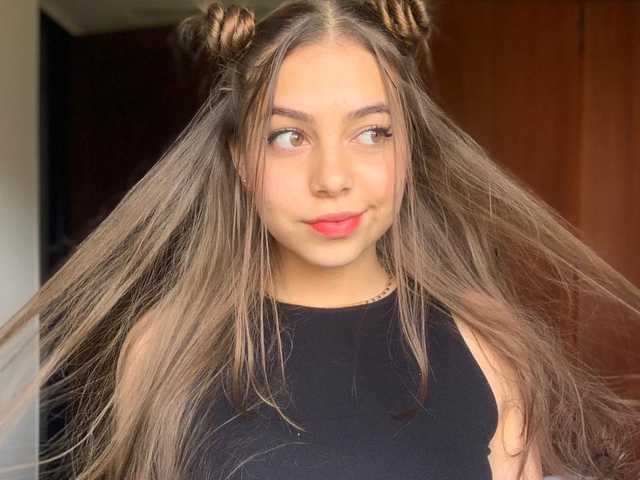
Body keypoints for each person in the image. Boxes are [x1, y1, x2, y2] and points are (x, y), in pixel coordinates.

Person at [1, 0, 639, 478]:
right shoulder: (163, 349)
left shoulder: (489, 347)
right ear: (240, 162)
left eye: (371, 133)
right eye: (289, 136)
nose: (332, 178)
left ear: (408, 150)